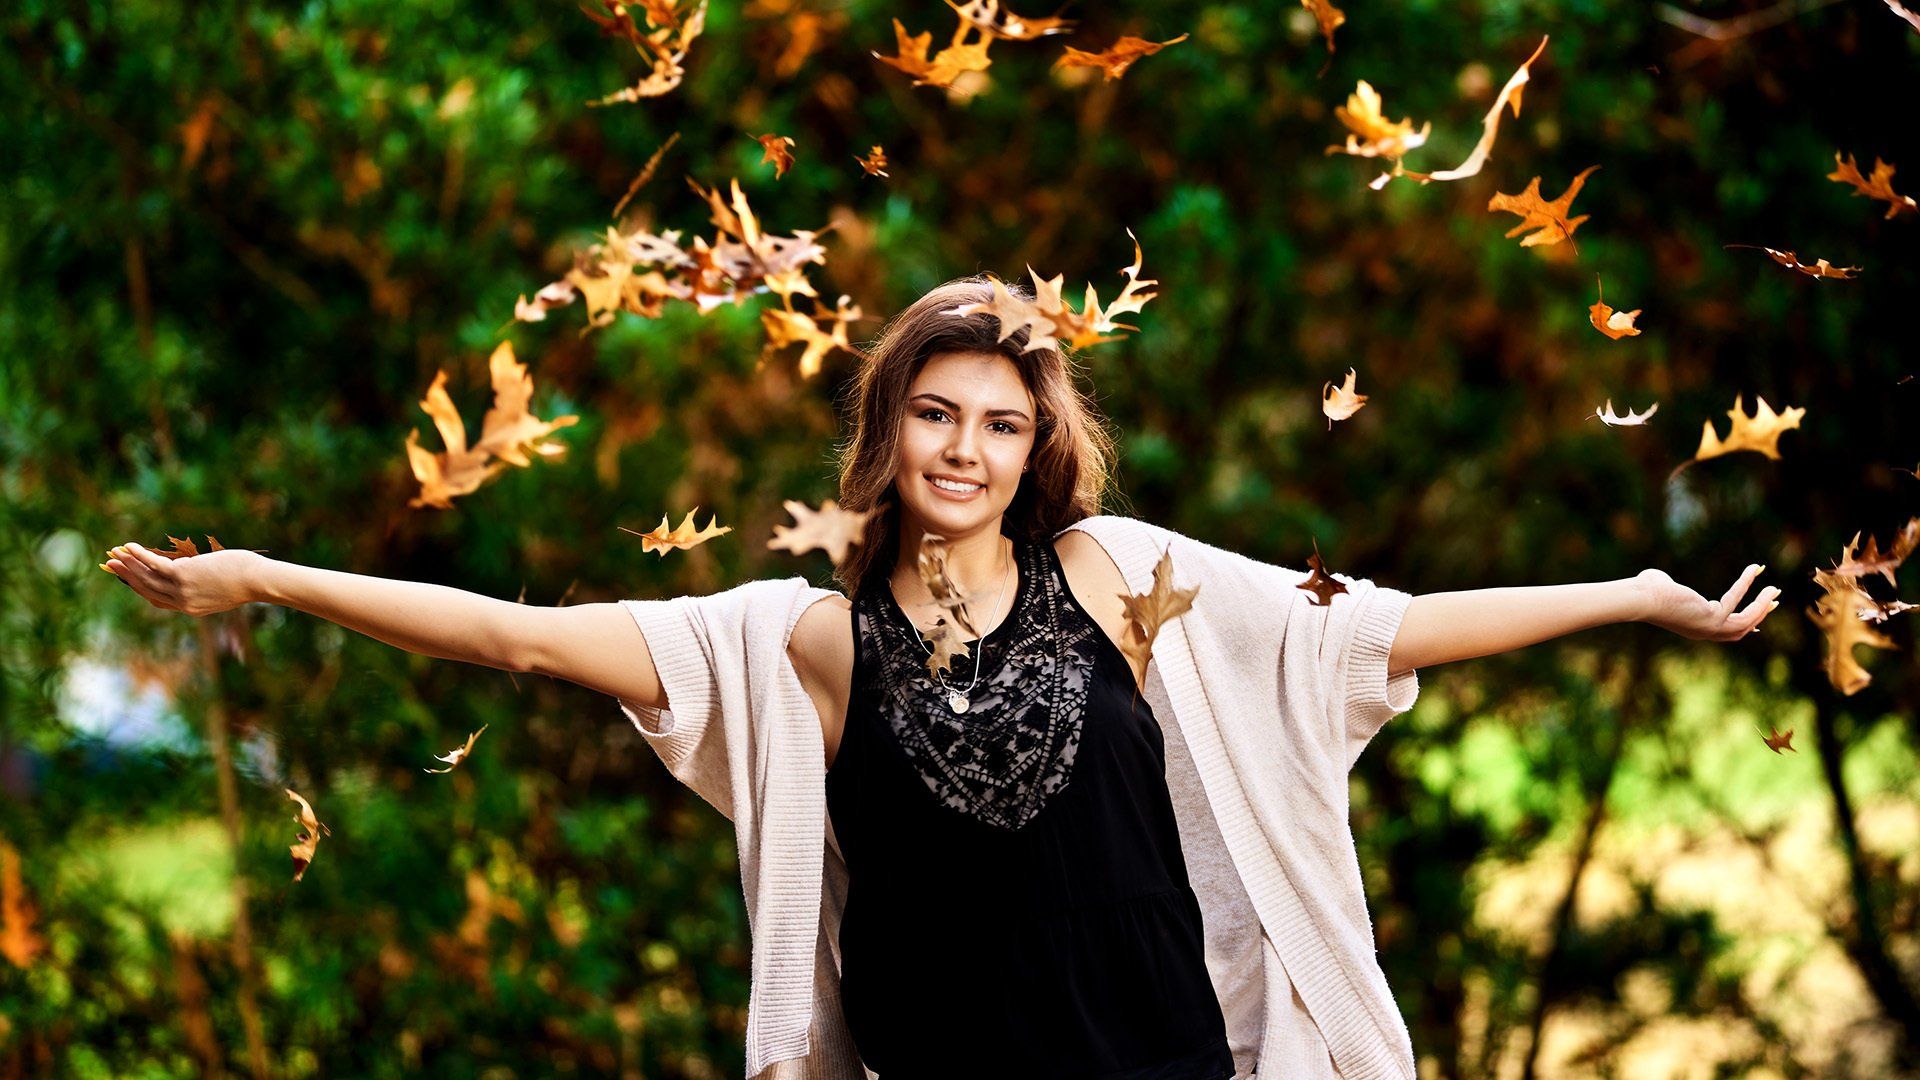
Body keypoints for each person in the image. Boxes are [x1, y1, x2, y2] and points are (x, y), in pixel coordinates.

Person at [104, 277, 1781, 1079]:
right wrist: (262, 578)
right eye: (935, 414)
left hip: (1150, 1052)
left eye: (1000, 422)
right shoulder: (802, 643)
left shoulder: (1126, 579)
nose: (966, 449)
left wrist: (1634, 592)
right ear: (887, 428)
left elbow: (1377, 631)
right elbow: (522, 637)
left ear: (1039, 441)